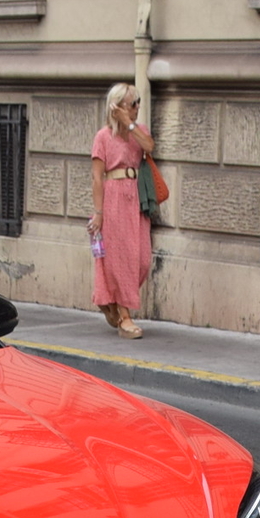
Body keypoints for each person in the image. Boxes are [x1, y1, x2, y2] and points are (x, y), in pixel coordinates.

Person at [88, 82, 156, 339]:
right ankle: (125, 317)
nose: (137, 107)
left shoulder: (139, 131)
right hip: (114, 197)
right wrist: (98, 213)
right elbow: (97, 178)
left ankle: (112, 301)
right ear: (117, 107)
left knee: (142, 260)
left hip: (136, 197)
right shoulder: (103, 137)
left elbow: (149, 147)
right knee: (120, 258)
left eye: (138, 102)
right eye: (132, 103)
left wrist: (129, 124)